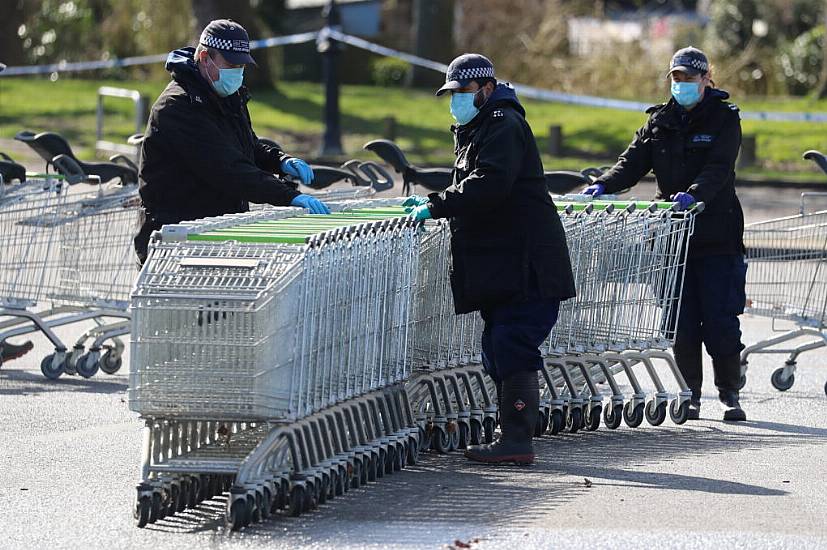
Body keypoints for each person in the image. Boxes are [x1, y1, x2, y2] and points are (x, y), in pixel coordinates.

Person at [407, 54, 576, 465]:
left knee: (511, 343)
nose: (455, 101)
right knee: (496, 348)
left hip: (527, 265)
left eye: (462, 93)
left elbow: (491, 183)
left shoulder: (503, 124)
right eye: (451, 94)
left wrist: (437, 205)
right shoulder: (478, 127)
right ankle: (511, 434)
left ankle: (517, 441)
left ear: (485, 89)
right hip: (507, 265)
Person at [582, 47, 747, 422]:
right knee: (680, 321)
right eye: (676, 77)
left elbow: (720, 168)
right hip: (672, 237)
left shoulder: (724, 118)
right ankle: (690, 394)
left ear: (706, 79)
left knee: (721, 321)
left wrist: (695, 194)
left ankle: (729, 393)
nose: (682, 84)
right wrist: (604, 185)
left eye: (689, 78)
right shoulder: (660, 121)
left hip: (716, 234)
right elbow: (631, 162)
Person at [134, 19, 329, 264]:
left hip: (214, 235)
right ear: (205, 58)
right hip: (175, 243)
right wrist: (287, 195)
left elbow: (247, 146)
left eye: (242, 66)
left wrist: (280, 161)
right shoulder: (177, 107)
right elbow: (227, 168)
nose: (238, 72)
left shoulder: (226, 95)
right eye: (232, 64)